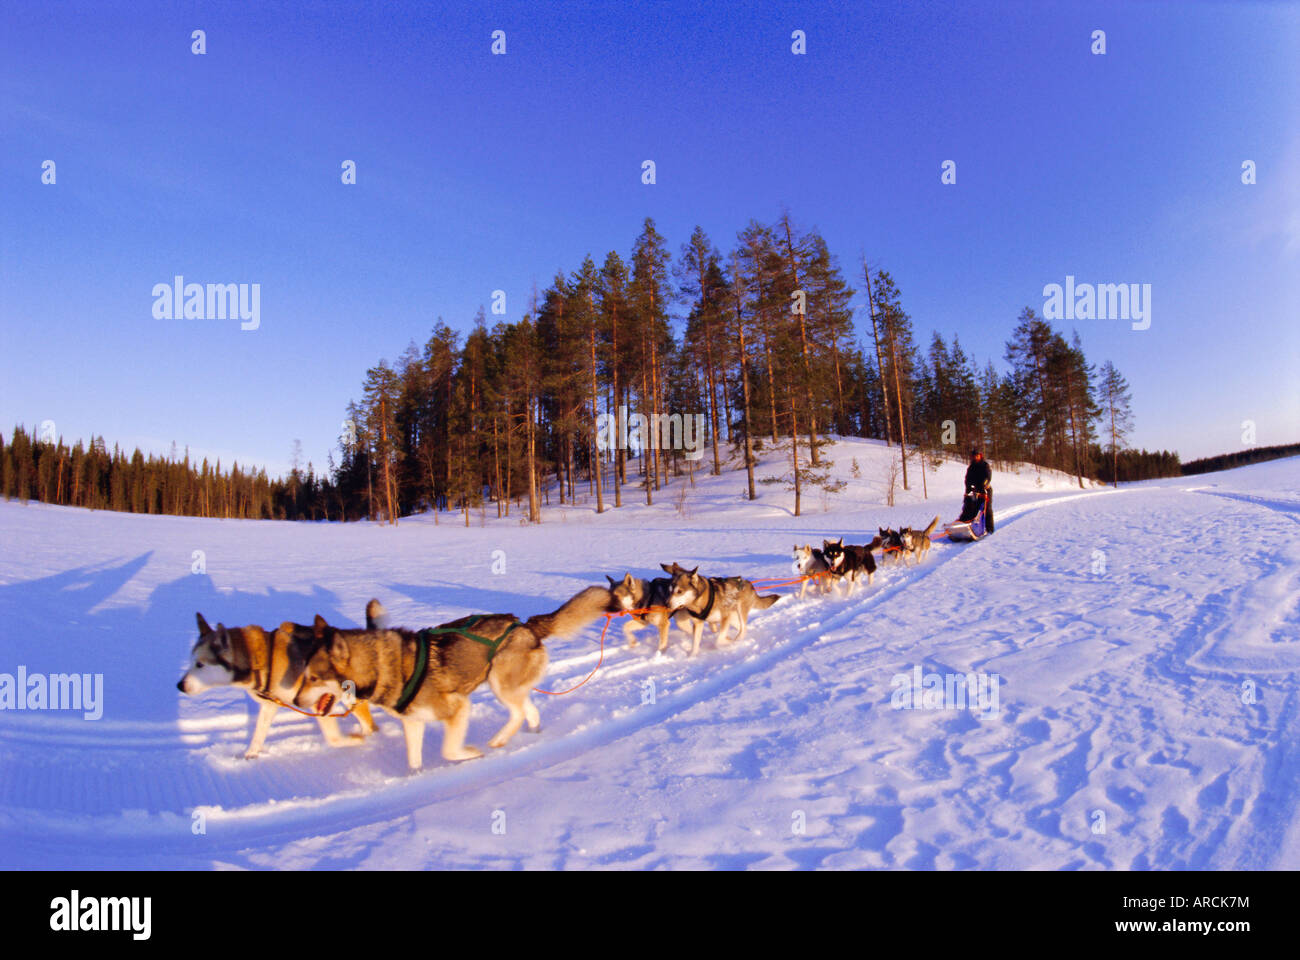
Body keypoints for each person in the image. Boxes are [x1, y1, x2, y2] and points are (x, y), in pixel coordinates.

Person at [964, 448, 994, 534]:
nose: (975, 458)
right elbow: (967, 479)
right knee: (970, 506)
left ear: (980, 456)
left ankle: (990, 529)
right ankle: (967, 524)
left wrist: (984, 485)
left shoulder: (985, 465)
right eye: (974, 456)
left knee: (987, 508)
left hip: (985, 490)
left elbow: (988, 477)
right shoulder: (971, 467)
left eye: (977, 456)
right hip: (975, 490)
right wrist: (968, 489)